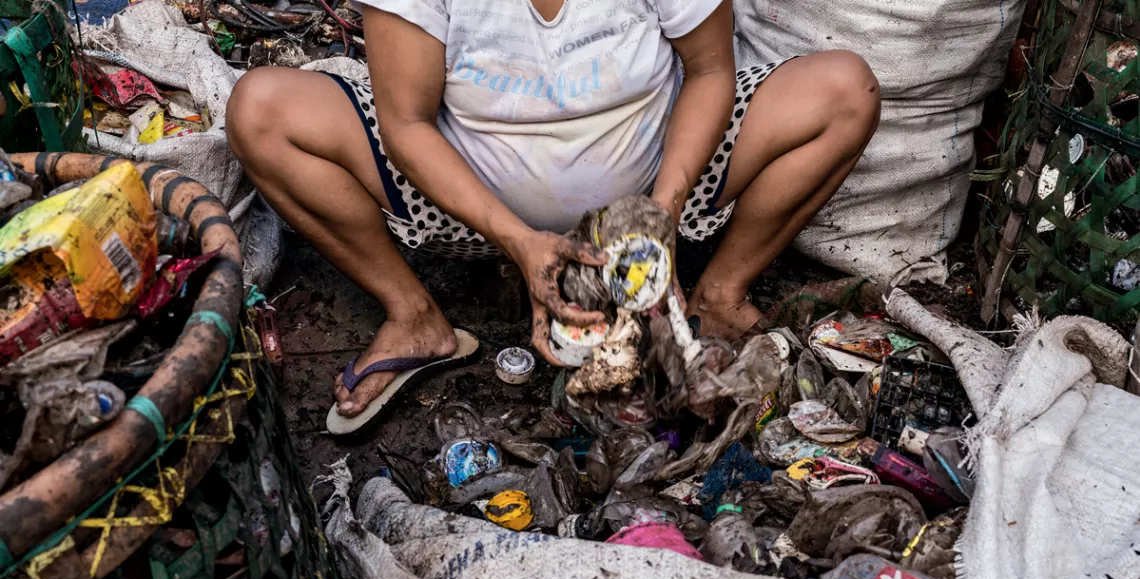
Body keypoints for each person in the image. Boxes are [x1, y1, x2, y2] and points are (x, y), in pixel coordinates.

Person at [227, 0, 880, 421]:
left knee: (845, 92)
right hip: (467, 199)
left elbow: (711, 72)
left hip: (660, 179)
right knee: (260, 113)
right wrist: (516, 236)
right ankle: (415, 315)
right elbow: (404, 120)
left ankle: (718, 293)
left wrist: (661, 212)